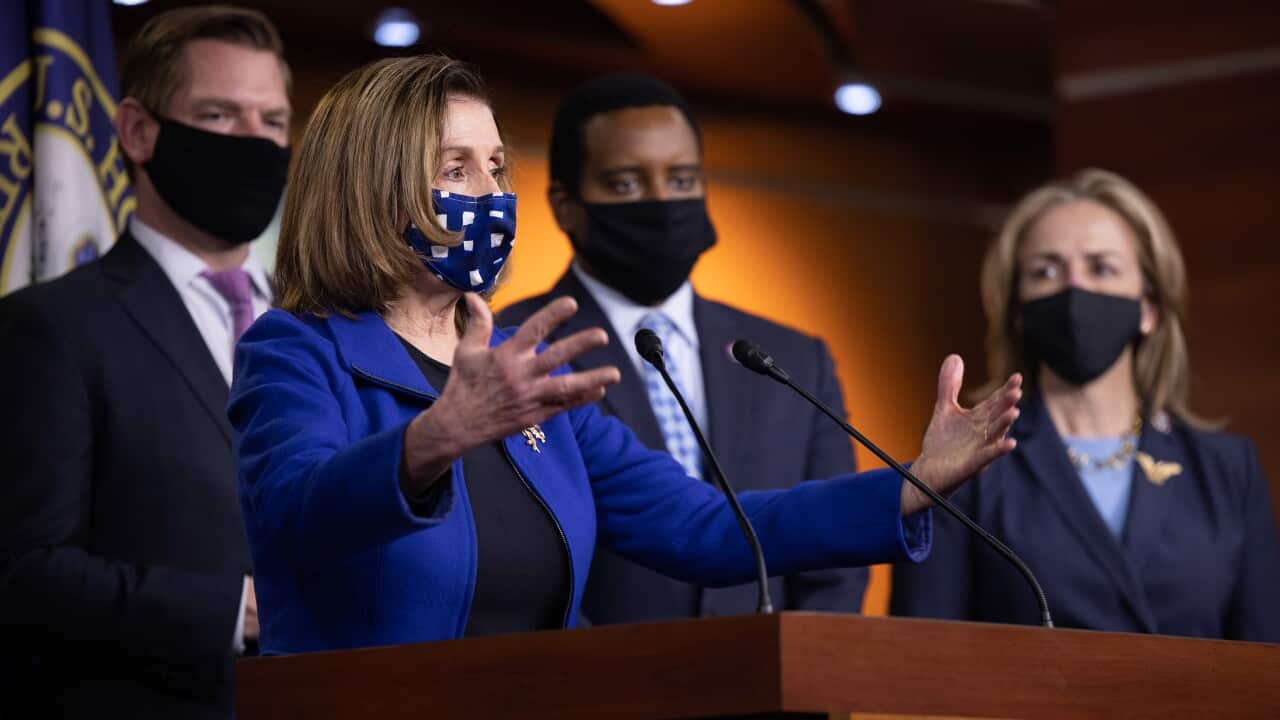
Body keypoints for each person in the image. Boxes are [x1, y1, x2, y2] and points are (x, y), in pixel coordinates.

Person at [229, 54, 1023, 655]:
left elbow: (707, 528)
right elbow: (295, 517)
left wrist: (912, 487)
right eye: (455, 168)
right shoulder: (296, 352)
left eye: (498, 167)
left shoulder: (524, 367)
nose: (491, 194)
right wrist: (437, 435)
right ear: (369, 190)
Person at [0, 6, 291, 717]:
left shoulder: (319, 323)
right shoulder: (52, 327)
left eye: (274, 122)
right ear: (136, 131)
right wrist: (235, 611)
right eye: (221, 115)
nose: (254, 142)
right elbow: (25, 573)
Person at [495, 74, 869, 623]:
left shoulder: (794, 358)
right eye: (625, 184)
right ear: (565, 206)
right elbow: (516, 561)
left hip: (773, 692)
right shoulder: (508, 348)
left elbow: (836, 569)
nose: (662, 203)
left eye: (682, 178)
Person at [890, 169, 1280, 642]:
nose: (1074, 289)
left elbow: (1266, 661)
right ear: (1018, 311)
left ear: (1149, 308)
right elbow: (923, 659)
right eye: (1046, 272)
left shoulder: (1226, 470)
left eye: (1102, 267)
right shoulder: (970, 470)